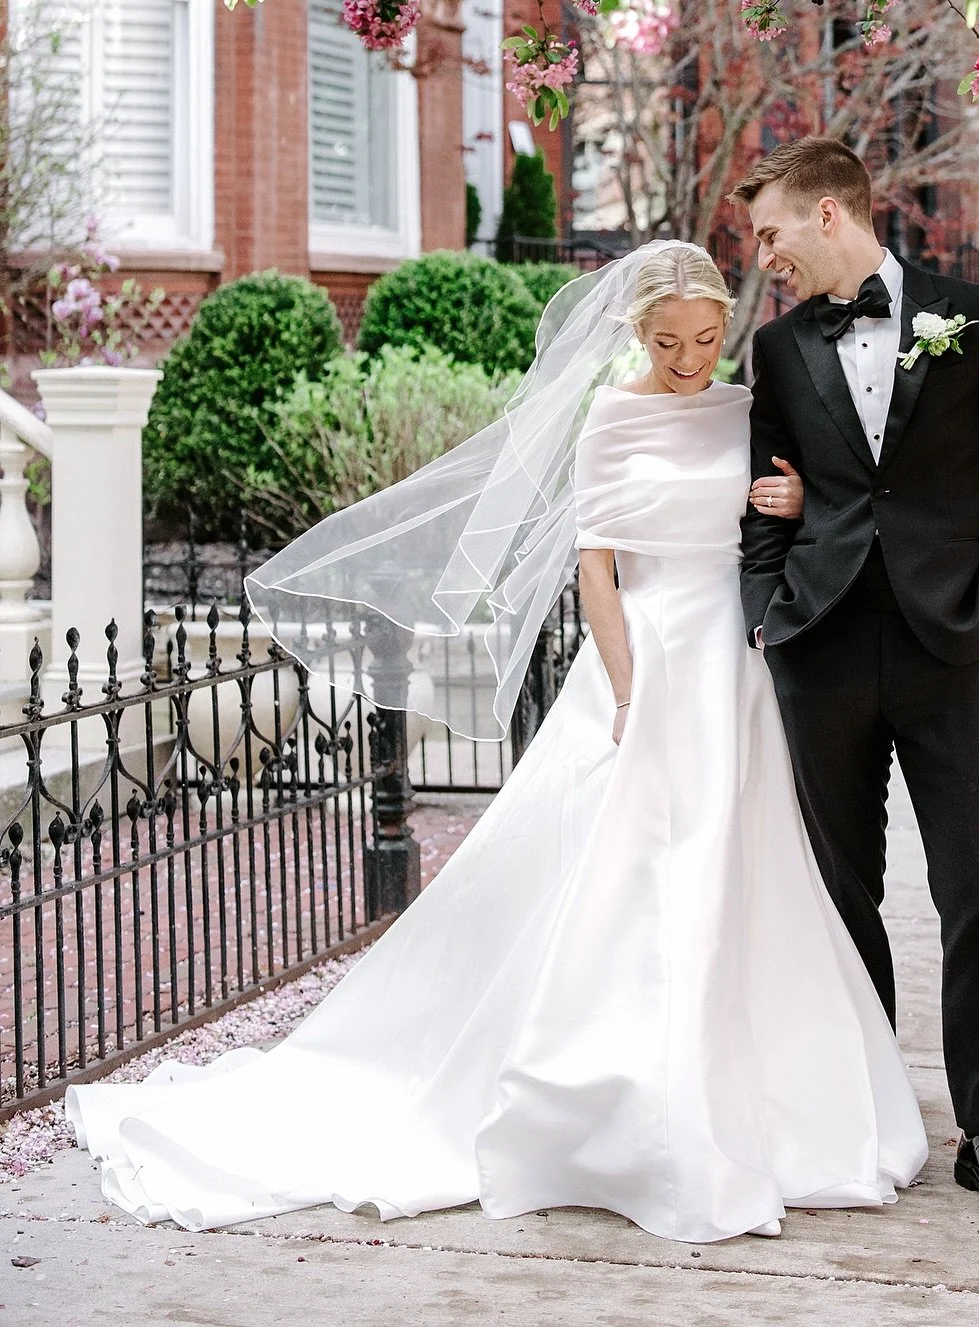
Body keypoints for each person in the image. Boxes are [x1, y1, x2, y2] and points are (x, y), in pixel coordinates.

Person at [66, 243, 927, 1244]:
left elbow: (795, 512)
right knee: (634, 868)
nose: (692, 357)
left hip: (733, 663)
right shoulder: (611, 416)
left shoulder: (740, 408)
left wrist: (787, 501)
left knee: (745, 864)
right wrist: (624, 683)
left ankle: (763, 1100)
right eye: (669, 341)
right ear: (635, 334)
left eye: (706, 339)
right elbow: (597, 565)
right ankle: (609, 1104)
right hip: (649, 651)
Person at [732, 139, 979, 1224]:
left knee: (978, 886)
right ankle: (862, 1111)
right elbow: (762, 500)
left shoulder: (973, 315)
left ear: (832, 214)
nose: (765, 252)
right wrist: (764, 619)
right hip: (820, 648)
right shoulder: (779, 348)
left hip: (948, 647)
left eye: (774, 229)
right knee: (842, 897)